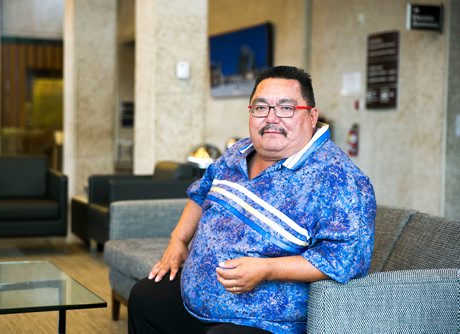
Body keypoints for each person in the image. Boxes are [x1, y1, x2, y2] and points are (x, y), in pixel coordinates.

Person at [128, 65, 376, 334]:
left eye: (286, 108)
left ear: (312, 115)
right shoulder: (238, 151)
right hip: (197, 302)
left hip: (263, 322)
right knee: (145, 297)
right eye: (260, 108)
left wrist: (267, 269)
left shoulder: (338, 179)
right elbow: (202, 191)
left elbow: (346, 259)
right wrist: (178, 240)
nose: (271, 118)